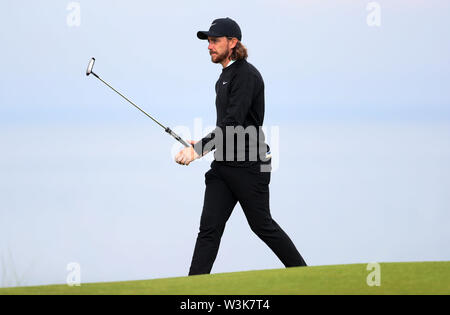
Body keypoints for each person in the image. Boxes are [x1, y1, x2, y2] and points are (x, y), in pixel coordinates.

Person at [174, 17, 307, 275]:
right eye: (208, 41)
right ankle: (192, 287)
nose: (209, 46)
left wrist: (197, 150)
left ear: (233, 42)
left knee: (262, 225)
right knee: (209, 230)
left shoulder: (246, 75)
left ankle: (304, 274)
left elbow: (233, 123)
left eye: (215, 41)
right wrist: (201, 143)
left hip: (250, 166)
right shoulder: (223, 77)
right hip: (223, 166)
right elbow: (227, 124)